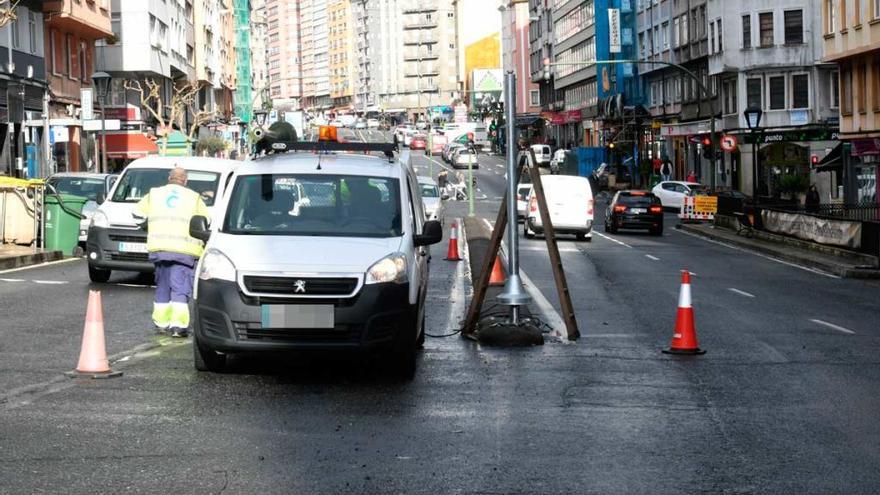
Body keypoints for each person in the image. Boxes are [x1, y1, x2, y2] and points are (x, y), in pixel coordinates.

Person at [134, 168, 210, 338]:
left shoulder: (154, 193)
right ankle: (178, 326)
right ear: (185, 181)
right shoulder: (193, 197)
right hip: (184, 251)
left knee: (162, 286)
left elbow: (137, 215)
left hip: (160, 248)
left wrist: (148, 226)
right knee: (180, 288)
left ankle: (161, 324)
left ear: (169, 179)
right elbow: (207, 220)